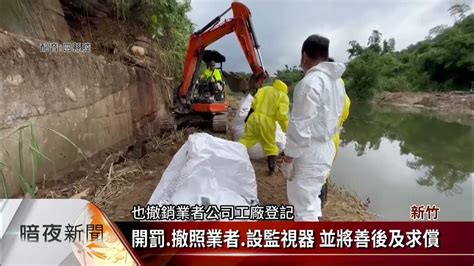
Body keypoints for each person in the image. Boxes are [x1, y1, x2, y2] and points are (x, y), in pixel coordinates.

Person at [280, 35, 346, 221]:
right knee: (311, 200)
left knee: (302, 208)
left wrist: (288, 158)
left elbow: (300, 127)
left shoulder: (310, 83)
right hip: (327, 147)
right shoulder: (337, 83)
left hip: (309, 152)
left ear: (304, 56)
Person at [319, 57, 351, 207]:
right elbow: (343, 117)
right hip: (334, 138)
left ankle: (314, 208)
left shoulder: (319, 89)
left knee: (314, 172)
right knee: (324, 172)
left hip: (319, 139)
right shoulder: (344, 96)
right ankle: (322, 202)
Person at [240, 79, 290, 175]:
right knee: (270, 145)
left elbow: (253, 105)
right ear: (287, 87)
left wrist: (247, 117)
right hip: (267, 122)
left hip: (254, 118)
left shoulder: (265, 89)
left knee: (246, 139)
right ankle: (271, 169)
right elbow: (282, 116)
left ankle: (234, 153)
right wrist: (286, 129)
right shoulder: (283, 96)